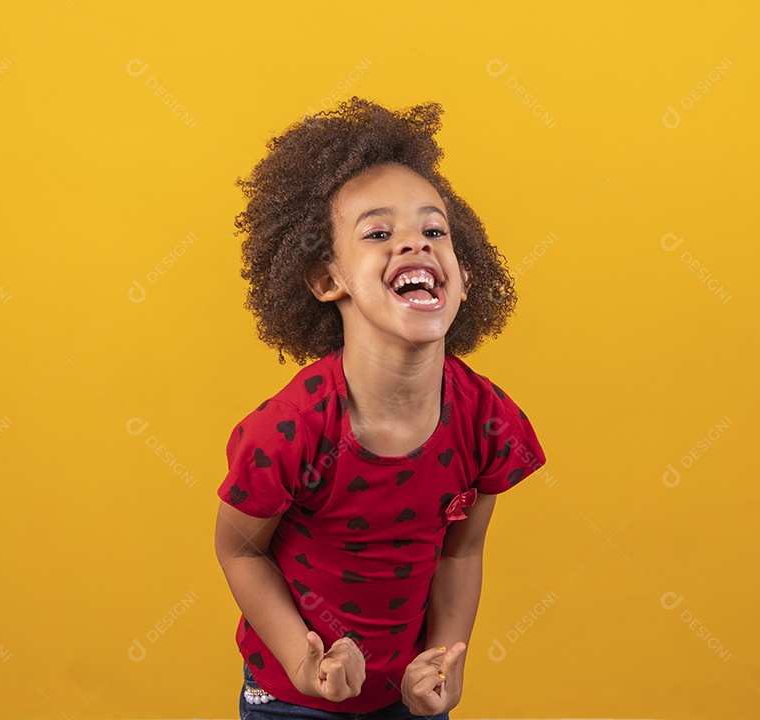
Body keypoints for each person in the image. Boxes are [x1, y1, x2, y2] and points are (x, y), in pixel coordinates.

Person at [214, 97, 546, 719]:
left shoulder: (486, 420)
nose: (414, 245)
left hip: (406, 697)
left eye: (434, 230)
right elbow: (239, 550)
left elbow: (461, 551)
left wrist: (450, 665)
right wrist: (303, 664)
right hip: (291, 699)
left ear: (464, 277)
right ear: (325, 279)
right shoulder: (290, 430)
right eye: (377, 232)